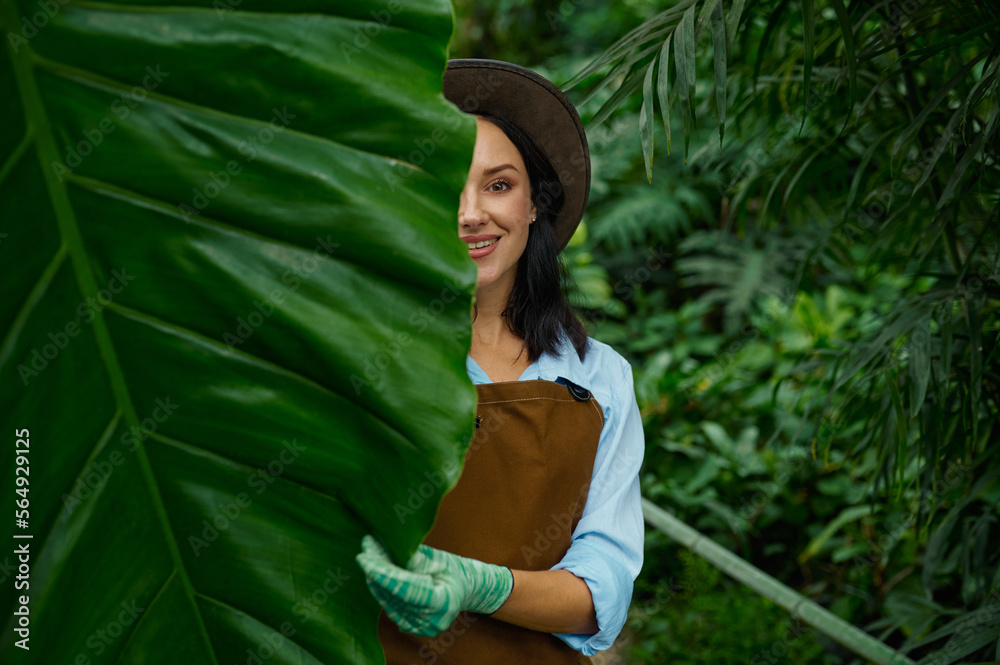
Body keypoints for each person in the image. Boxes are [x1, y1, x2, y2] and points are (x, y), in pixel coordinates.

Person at [355, 59, 645, 664]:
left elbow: (604, 591)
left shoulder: (600, 377)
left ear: (535, 204)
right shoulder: (360, 351)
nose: (470, 214)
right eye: (447, 186)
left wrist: (481, 585)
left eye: (498, 184)